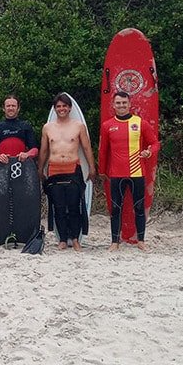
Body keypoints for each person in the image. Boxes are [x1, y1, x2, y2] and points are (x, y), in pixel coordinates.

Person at [98, 91, 160, 252]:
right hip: (116, 174)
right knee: (116, 208)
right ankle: (114, 242)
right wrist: (101, 171)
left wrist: (149, 152)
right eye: (118, 103)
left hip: (137, 173)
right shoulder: (107, 125)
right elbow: (103, 151)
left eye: (124, 103)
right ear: (113, 105)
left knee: (139, 207)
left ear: (129, 104)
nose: (121, 106)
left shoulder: (140, 123)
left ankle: (141, 240)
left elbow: (155, 143)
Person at [38, 93, 95, 251]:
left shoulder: (78, 126)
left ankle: (75, 238)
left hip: (72, 168)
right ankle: (63, 238)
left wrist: (92, 168)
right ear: (55, 109)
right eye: (58, 106)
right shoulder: (48, 127)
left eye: (64, 106)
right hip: (54, 169)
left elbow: (86, 148)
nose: (61, 109)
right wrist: (40, 169)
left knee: (74, 205)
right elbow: (43, 151)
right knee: (58, 206)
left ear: (69, 108)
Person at [0, 94, 38, 170]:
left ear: (18, 108)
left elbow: (35, 150)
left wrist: (27, 154)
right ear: (3, 108)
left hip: (22, 167)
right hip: (3, 167)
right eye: (8, 106)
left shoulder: (25, 126)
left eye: (13, 106)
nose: (11, 108)